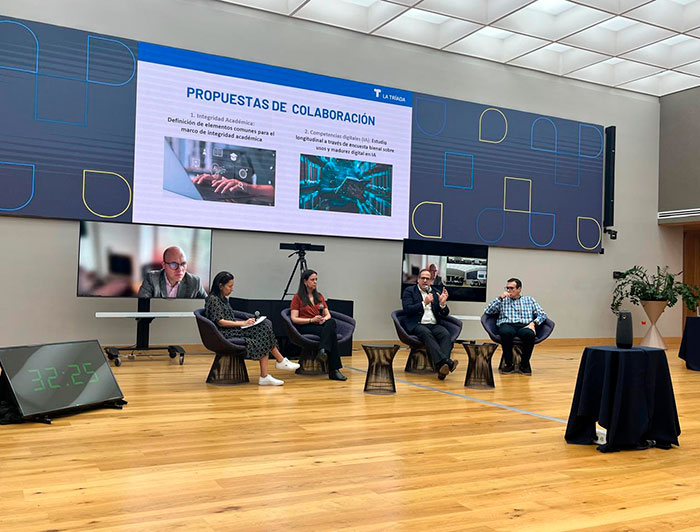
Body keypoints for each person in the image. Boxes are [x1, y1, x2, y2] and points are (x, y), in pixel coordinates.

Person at [205, 271, 300, 386]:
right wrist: (243, 323)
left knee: (264, 328)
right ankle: (277, 364)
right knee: (263, 330)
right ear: (220, 286)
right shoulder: (213, 300)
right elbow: (221, 322)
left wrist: (247, 322)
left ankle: (273, 367)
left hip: (231, 329)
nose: (232, 289)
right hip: (224, 333)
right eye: (230, 286)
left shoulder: (223, 299)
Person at [401, 268, 459, 380]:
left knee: (445, 334)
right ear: (418, 279)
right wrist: (424, 303)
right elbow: (407, 309)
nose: (425, 281)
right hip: (418, 324)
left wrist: (442, 303)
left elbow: (444, 314)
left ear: (431, 281)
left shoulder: (435, 292)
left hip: (433, 324)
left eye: (428, 279)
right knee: (426, 333)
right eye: (422, 278)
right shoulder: (409, 291)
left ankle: (443, 368)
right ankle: (446, 362)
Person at [290, 269, 347, 381]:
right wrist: (311, 320)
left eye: (316, 279)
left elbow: (328, 315)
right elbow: (294, 318)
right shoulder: (297, 298)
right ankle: (334, 370)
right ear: (305, 282)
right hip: (306, 325)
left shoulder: (319, 296)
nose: (315, 282)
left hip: (320, 325)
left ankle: (323, 350)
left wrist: (322, 320)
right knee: (332, 335)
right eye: (312, 280)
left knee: (331, 322)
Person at [483, 278, 547, 376]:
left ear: (519, 289)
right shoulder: (502, 300)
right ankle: (509, 364)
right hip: (507, 324)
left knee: (529, 334)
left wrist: (533, 323)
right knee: (506, 333)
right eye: (507, 288)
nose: (508, 290)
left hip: (524, 325)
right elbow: (488, 311)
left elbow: (542, 314)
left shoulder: (529, 300)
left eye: (511, 288)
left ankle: (524, 364)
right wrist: (500, 298)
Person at [138, 246, 207, 298]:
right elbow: (142, 307)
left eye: (183, 264)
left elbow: (208, 306)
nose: (180, 269)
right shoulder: (152, 278)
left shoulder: (194, 282)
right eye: (174, 264)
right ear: (164, 265)